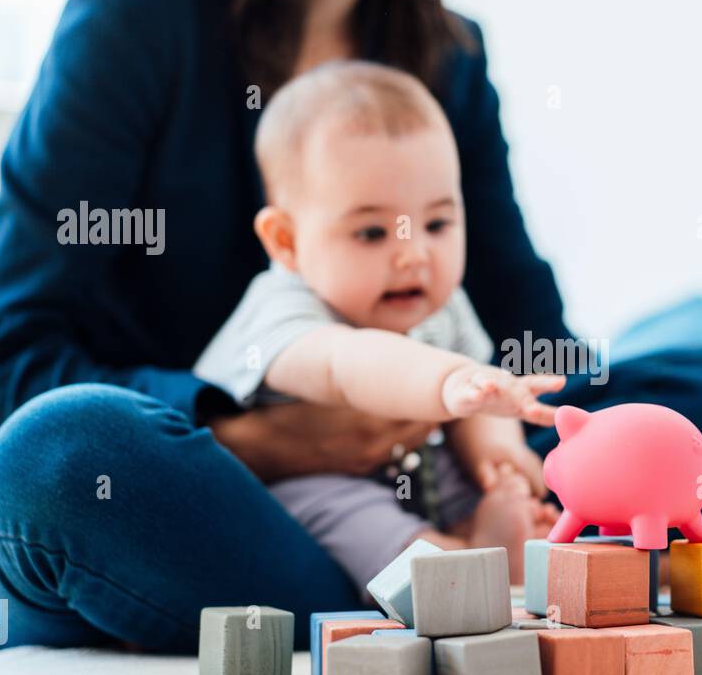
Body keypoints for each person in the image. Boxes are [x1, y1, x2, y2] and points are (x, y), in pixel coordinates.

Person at [0, 0, 702, 652]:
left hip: (439, 461)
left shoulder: (450, 56)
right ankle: (438, 578)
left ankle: (463, 578)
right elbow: (5, 357)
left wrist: (597, 476)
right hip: (216, 485)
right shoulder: (142, 3)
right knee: (56, 462)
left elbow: (528, 339)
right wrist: (274, 437)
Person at [196, 59, 563, 586]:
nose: (413, 255)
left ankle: (504, 544)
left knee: (482, 471)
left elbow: (480, 389)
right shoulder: (281, 305)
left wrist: (499, 455)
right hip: (314, 484)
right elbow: (347, 363)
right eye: (372, 233)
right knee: (346, 513)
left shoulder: (440, 300)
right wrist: (448, 380)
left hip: (420, 472)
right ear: (286, 241)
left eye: (436, 223)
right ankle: (460, 569)